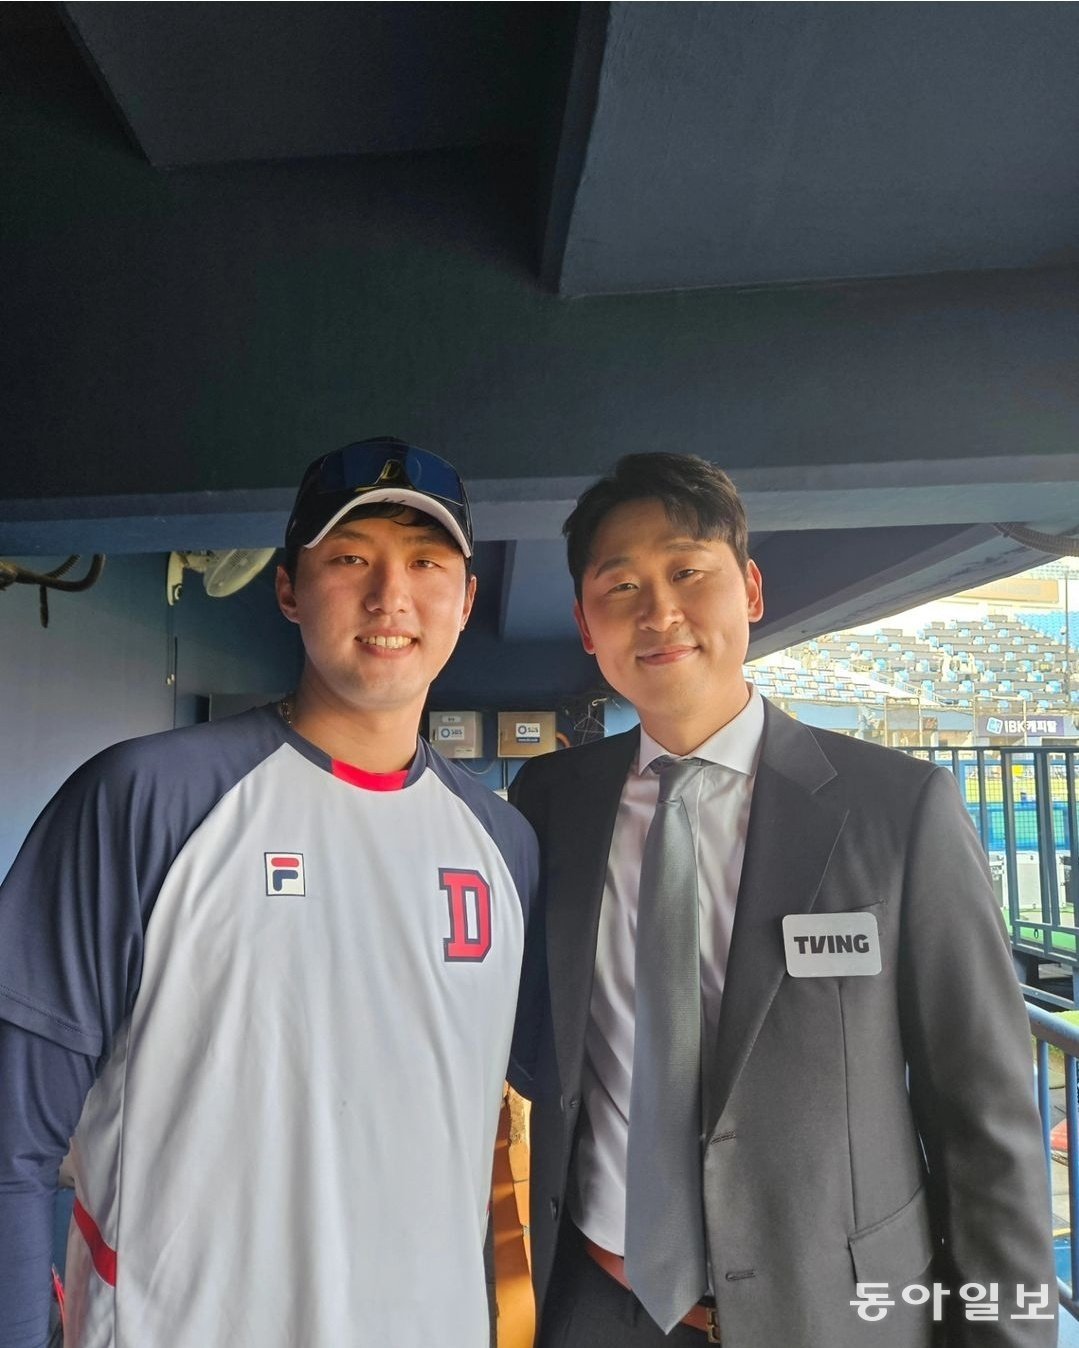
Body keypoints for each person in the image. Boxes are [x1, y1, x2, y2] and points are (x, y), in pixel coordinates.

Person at [0, 436, 537, 1348]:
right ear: (287, 587)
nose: (389, 596)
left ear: (466, 599)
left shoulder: (503, 845)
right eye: (349, 559)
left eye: (425, 562)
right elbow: (12, 1141)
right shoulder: (146, 799)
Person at [509, 452, 1056, 1347]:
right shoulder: (552, 802)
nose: (659, 612)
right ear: (584, 623)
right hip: (595, 1302)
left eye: (689, 571)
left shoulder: (897, 808)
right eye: (621, 586)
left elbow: (985, 1121)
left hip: (834, 1315)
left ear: (750, 589)